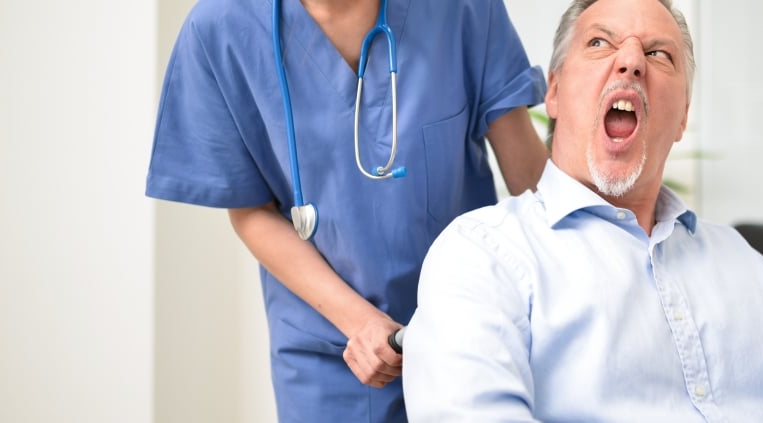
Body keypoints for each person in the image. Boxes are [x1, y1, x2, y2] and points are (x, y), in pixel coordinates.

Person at [402, 0, 763, 421]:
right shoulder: (482, 256)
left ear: (682, 118)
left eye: (659, 54)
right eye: (600, 43)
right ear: (553, 92)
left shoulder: (743, 262)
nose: (630, 62)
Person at [145, 0, 548, 421]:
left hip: (472, 333)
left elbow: (529, 181)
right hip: (328, 353)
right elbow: (251, 210)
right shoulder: (222, 26)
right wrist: (359, 322)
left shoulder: (461, 8)